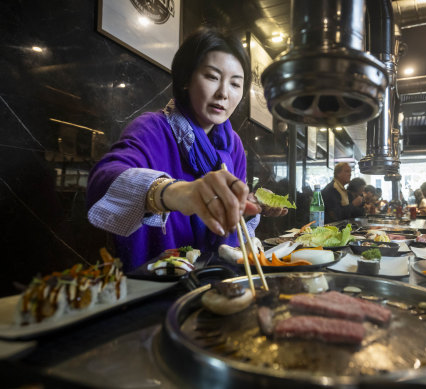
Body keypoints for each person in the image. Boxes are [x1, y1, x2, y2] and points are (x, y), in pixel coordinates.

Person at [86, 27, 286, 270]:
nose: (223, 93)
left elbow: (227, 223)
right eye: (212, 77)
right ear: (185, 80)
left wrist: (247, 206)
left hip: (218, 275)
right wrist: (177, 192)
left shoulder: (232, 144)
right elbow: (103, 183)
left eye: (235, 83)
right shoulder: (153, 128)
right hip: (161, 283)